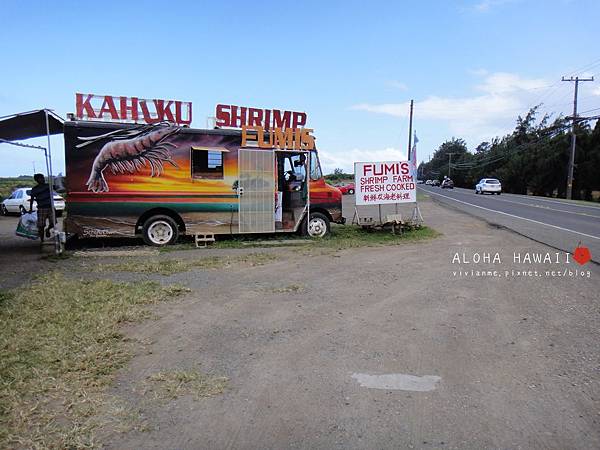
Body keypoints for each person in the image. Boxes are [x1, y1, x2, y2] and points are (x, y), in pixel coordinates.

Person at [29, 173, 55, 242]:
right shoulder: (35, 189)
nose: (43, 179)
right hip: (41, 208)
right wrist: (30, 209)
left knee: (53, 223)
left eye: (43, 178)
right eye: (41, 178)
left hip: (50, 207)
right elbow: (31, 199)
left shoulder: (48, 186)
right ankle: (42, 240)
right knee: (41, 226)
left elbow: (57, 188)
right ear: (37, 180)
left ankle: (48, 229)